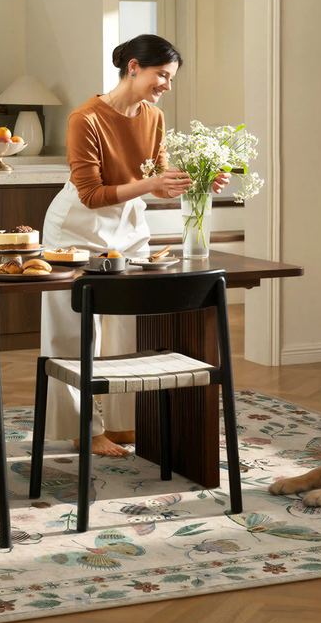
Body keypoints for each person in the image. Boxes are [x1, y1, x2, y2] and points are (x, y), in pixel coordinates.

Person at [40, 34, 230, 456]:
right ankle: (82, 429)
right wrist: (152, 184)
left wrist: (198, 180)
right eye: (162, 75)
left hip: (127, 222)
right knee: (73, 332)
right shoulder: (85, 118)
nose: (166, 85)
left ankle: (126, 423)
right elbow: (90, 194)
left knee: (129, 323)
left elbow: (157, 184)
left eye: (171, 78)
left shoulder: (152, 117)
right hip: (76, 227)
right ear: (133, 67)